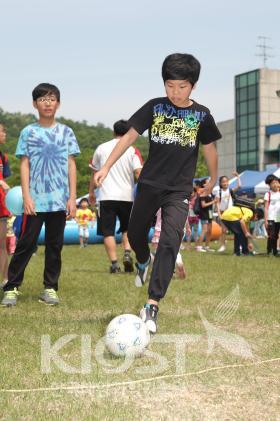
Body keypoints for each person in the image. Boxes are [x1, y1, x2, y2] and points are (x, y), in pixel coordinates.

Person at [94, 53, 221, 333]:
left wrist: (212, 178)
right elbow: (128, 137)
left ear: (194, 86)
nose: (175, 92)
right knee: (136, 235)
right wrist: (106, 166)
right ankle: (142, 260)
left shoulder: (202, 115)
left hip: (179, 190)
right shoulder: (155, 107)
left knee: (170, 241)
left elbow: (210, 148)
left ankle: (152, 305)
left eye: (182, 87)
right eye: (170, 86)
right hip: (150, 185)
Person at [1, 83, 80, 307]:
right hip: (34, 201)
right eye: (42, 99)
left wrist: (72, 197)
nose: (47, 102)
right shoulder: (28, 132)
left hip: (59, 200)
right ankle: (12, 287)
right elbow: (24, 165)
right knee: (26, 244)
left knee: (55, 246)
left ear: (58, 103)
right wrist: (26, 196)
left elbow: (71, 165)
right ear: (35, 104)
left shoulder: (67, 132)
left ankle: (50, 288)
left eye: (52, 98)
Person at [89, 120, 142, 274]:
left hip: (106, 196)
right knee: (127, 229)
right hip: (127, 197)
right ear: (127, 134)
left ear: (113, 132)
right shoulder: (132, 150)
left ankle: (114, 264)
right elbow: (139, 172)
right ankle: (127, 252)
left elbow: (94, 173)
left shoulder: (101, 148)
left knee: (108, 232)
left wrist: (91, 192)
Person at [215, 172, 241, 252]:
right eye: (223, 181)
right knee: (223, 230)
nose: (225, 183)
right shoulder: (218, 192)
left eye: (226, 181)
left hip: (231, 213)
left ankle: (238, 245)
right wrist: (219, 214)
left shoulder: (230, 190)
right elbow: (217, 204)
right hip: (223, 213)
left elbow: (239, 186)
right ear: (220, 183)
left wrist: (237, 176)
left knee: (236, 230)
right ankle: (222, 246)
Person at [0, 124, 11, 289]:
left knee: (2, 245)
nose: (4, 134)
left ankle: (6, 280)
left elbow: (5, 180)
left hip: (1, 205)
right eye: (1, 131)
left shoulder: (4, 157)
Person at [196, 178, 218, 252]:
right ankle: (198, 246)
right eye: (207, 182)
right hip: (204, 214)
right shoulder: (203, 193)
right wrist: (213, 202)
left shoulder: (210, 193)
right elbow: (203, 205)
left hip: (210, 214)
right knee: (204, 230)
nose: (209, 183)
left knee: (209, 231)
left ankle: (207, 246)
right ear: (204, 184)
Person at [264, 174, 280, 256]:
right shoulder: (268, 194)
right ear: (269, 185)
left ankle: (275, 251)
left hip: (278, 217)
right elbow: (266, 208)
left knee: (276, 235)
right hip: (270, 217)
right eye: (273, 183)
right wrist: (265, 220)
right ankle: (269, 251)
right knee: (271, 235)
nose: (275, 184)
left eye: (277, 182)